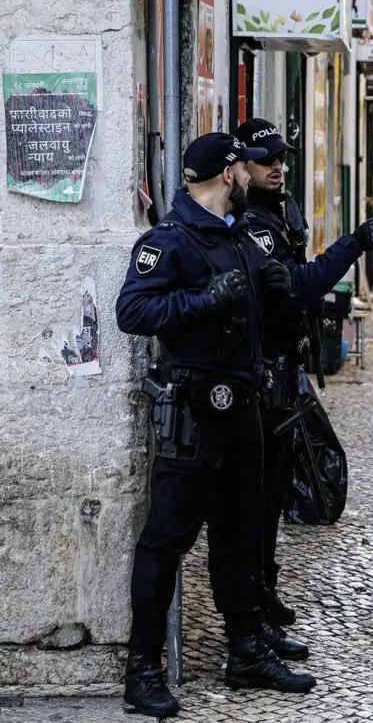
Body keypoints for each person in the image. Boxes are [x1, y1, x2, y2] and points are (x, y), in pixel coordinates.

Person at [116, 134, 316, 718]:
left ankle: (247, 652)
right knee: (165, 543)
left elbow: (271, 301)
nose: (258, 171)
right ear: (229, 174)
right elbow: (134, 311)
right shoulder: (169, 241)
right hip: (195, 414)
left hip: (244, 409)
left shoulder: (240, 236)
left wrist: (279, 292)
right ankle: (142, 670)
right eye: (244, 165)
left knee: (240, 537)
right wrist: (203, 300)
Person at [235, 119, 373, 638]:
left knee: (275, 492)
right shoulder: (251, 223)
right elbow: (299, 286)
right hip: (260, 379)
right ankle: (251, 616)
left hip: (284, 371)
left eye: (281, 158)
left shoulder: (279, 211)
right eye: (265, 160)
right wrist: (352, 244)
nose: (277, 167)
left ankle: (266, 595)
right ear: (242, 166)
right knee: (255, 501)